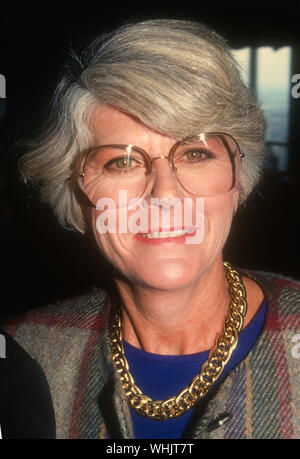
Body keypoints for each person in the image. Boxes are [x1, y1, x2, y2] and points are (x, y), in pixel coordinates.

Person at [1, 18, 299, 439]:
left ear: (237, 180)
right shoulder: (21, 356)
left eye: (195, 153)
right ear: (77, 196)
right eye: (122, 161)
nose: (164, 196)